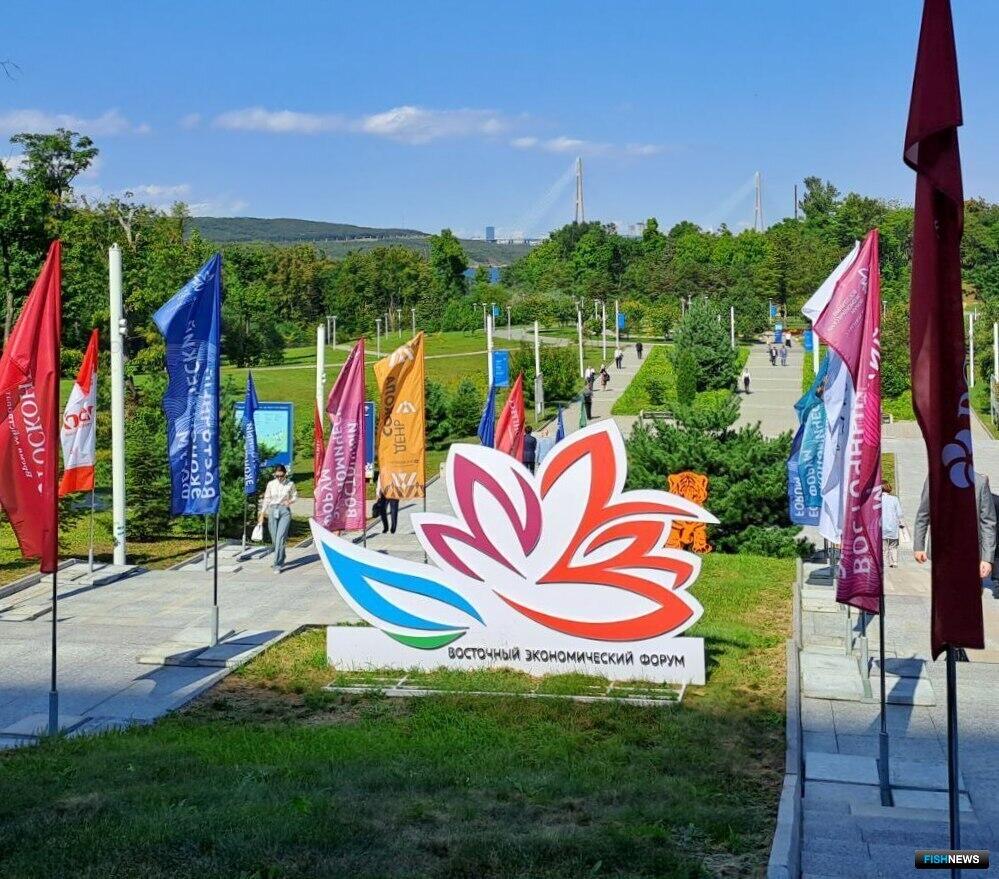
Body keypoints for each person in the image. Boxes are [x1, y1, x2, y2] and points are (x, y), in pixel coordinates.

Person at [914, 473, 996, 585]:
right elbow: (923, 515)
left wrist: (987, 559)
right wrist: (919, 547)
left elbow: (988, 523)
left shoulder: (980, 482)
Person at [258, 464, 297, 572]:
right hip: (272, 510)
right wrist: (262, 513)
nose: (279, 478)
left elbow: (295, 496)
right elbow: (266, 499)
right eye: (277, 476)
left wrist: (290, 501)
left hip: (284, 511)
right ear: (274, 475)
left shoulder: (290, 484)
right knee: (275, 539)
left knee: (280, 538)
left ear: (285, 474)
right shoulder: (271, 484)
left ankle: (277, 564)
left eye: (281, 476)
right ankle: (282, 555)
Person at [881, 481, 904, 568]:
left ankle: (884, 563)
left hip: (882, 527)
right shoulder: (894, 499)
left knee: (884, 548)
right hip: (893, 526)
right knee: (893, 546)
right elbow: (899, 513)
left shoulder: (878, 500)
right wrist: (901, 523)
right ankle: (894, 562)